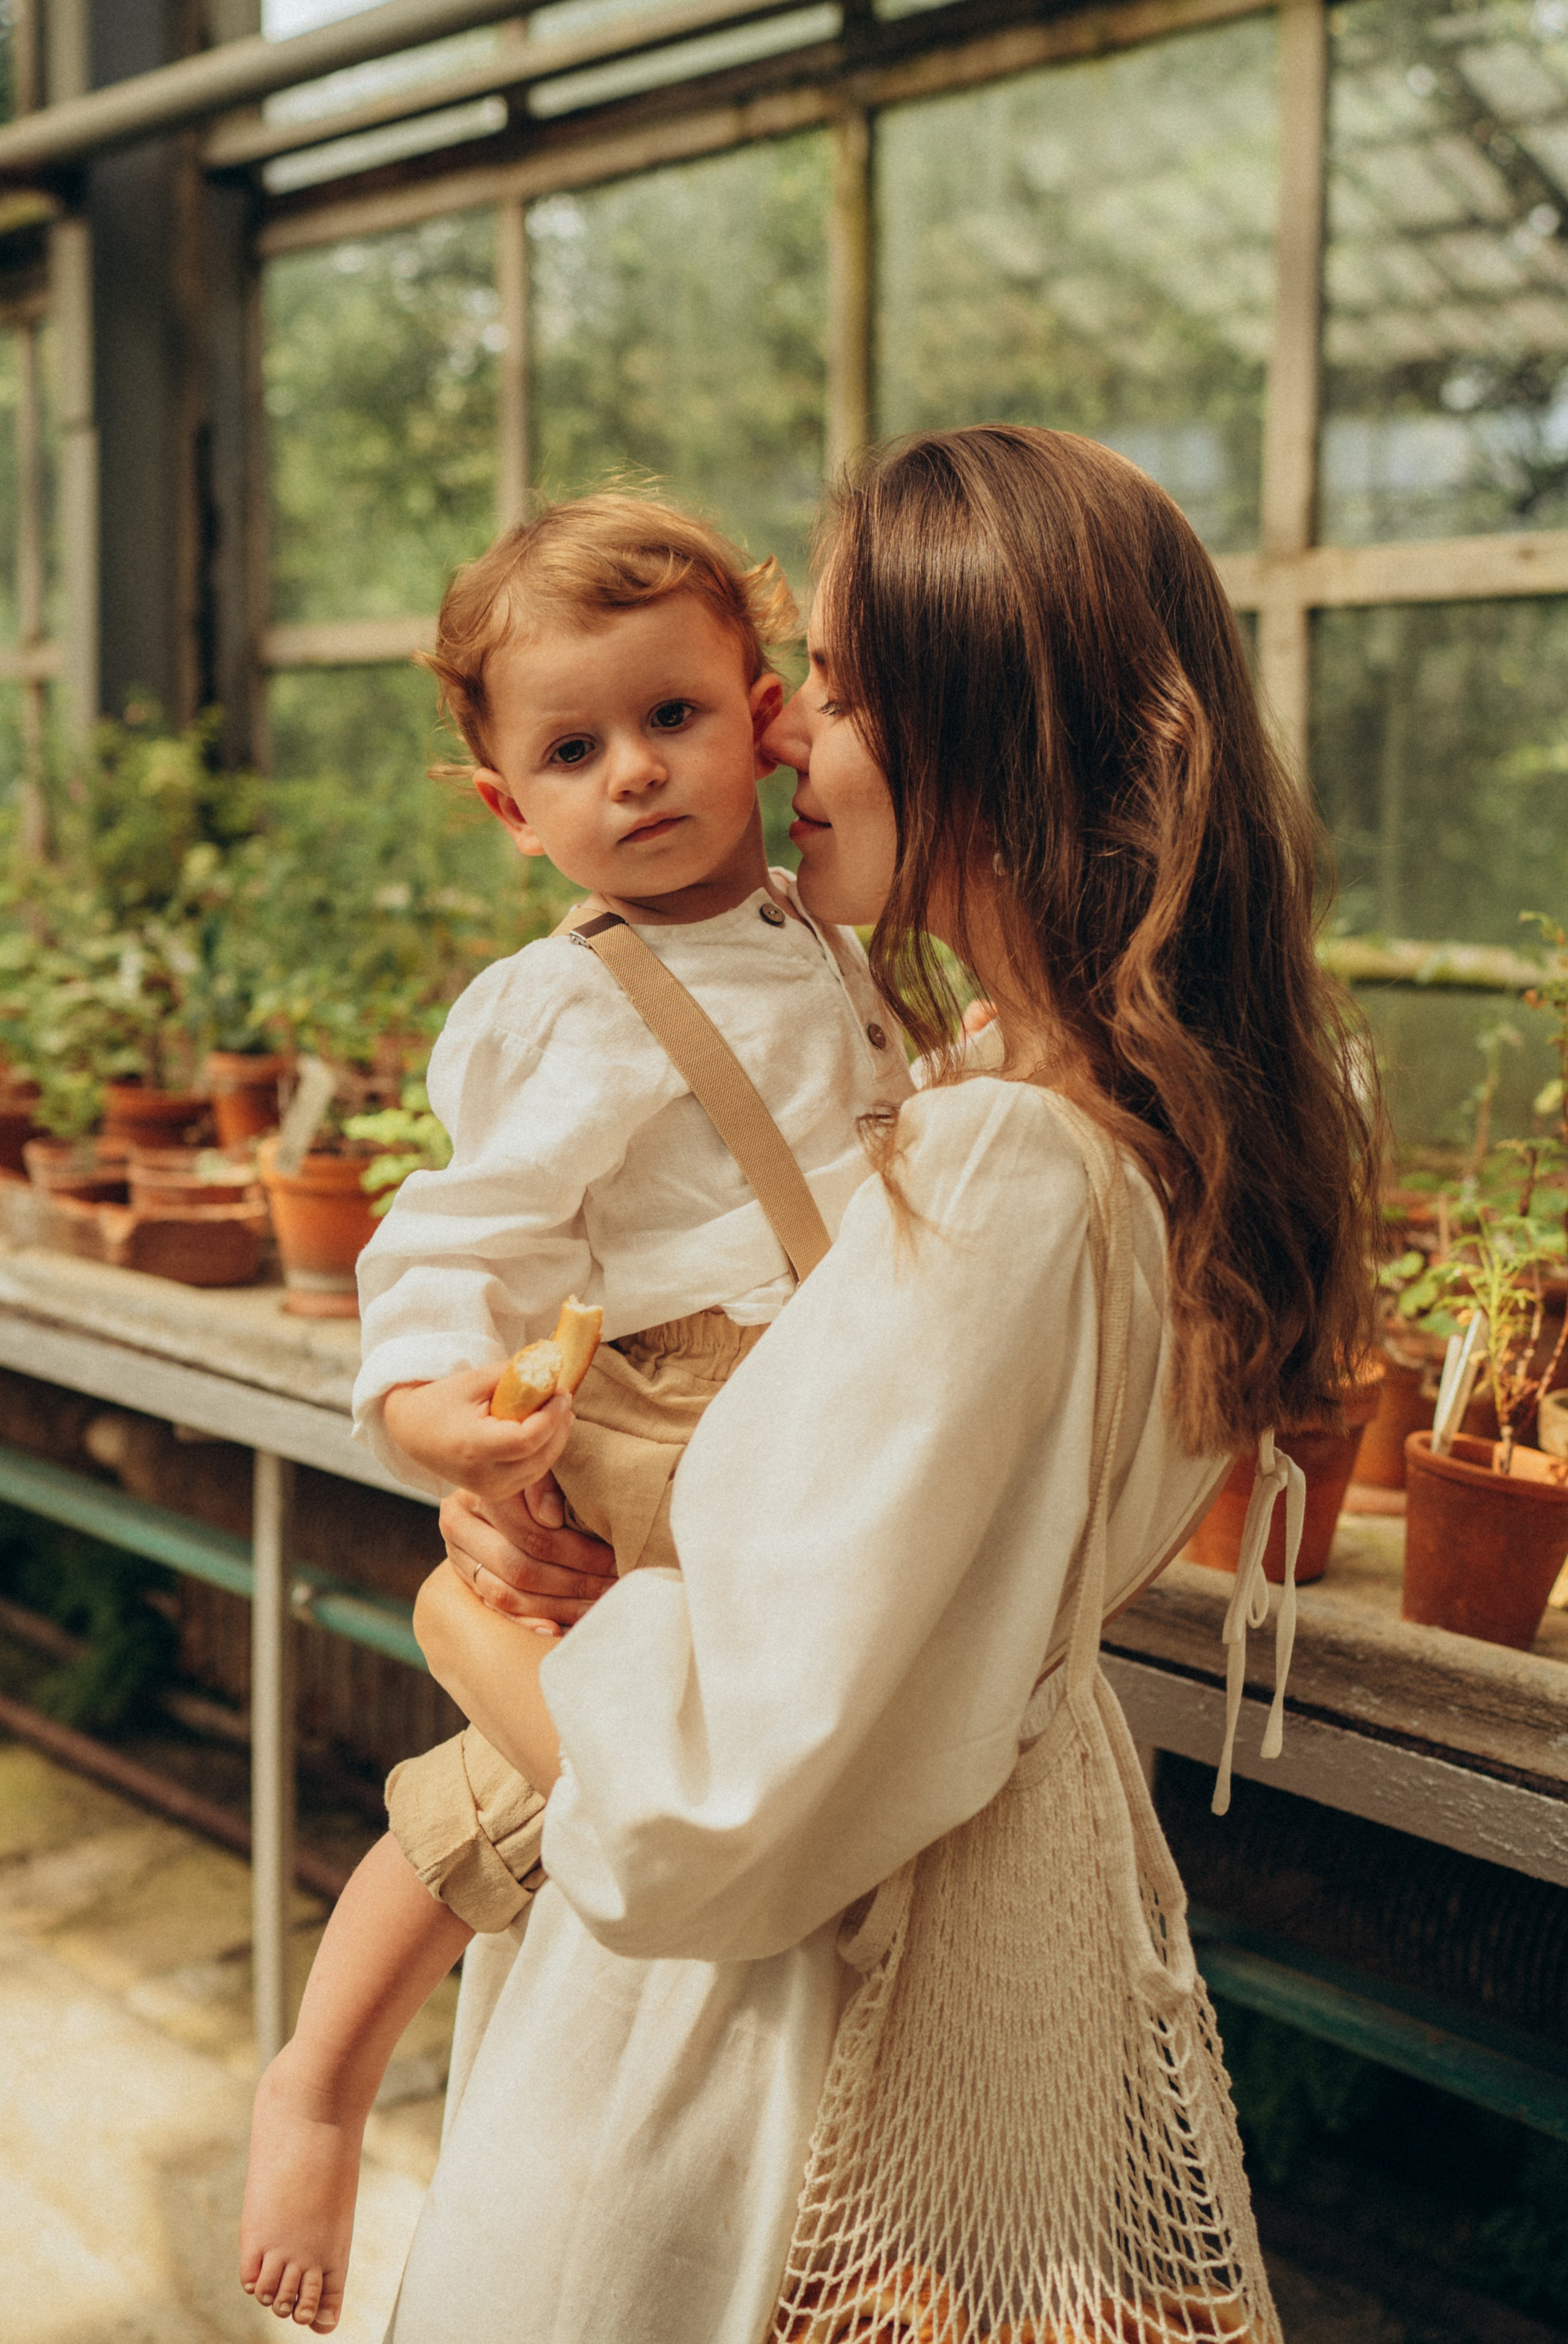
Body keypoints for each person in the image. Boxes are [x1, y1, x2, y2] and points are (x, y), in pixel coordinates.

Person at [295, 421, 1379, 2340]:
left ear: (993, 739)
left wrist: (467, 1631)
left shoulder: (1003, 1172)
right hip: (981, 1924)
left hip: (758, 2036)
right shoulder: (1127, 1131)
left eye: (851, 697)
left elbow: (715, 1799)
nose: (789, 737)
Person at [238, 493, 913, 2331]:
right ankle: (318, 2073)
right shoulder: (568, 1006)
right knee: (548, 1771)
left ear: (769, 719)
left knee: (729, 1773)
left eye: (677, 718)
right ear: (505, 807)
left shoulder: (828, 930)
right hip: (681, 1416)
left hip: (828, 1403)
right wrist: (430, 1406)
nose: (633, 774)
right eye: (572, 749)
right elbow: (457, 1231)